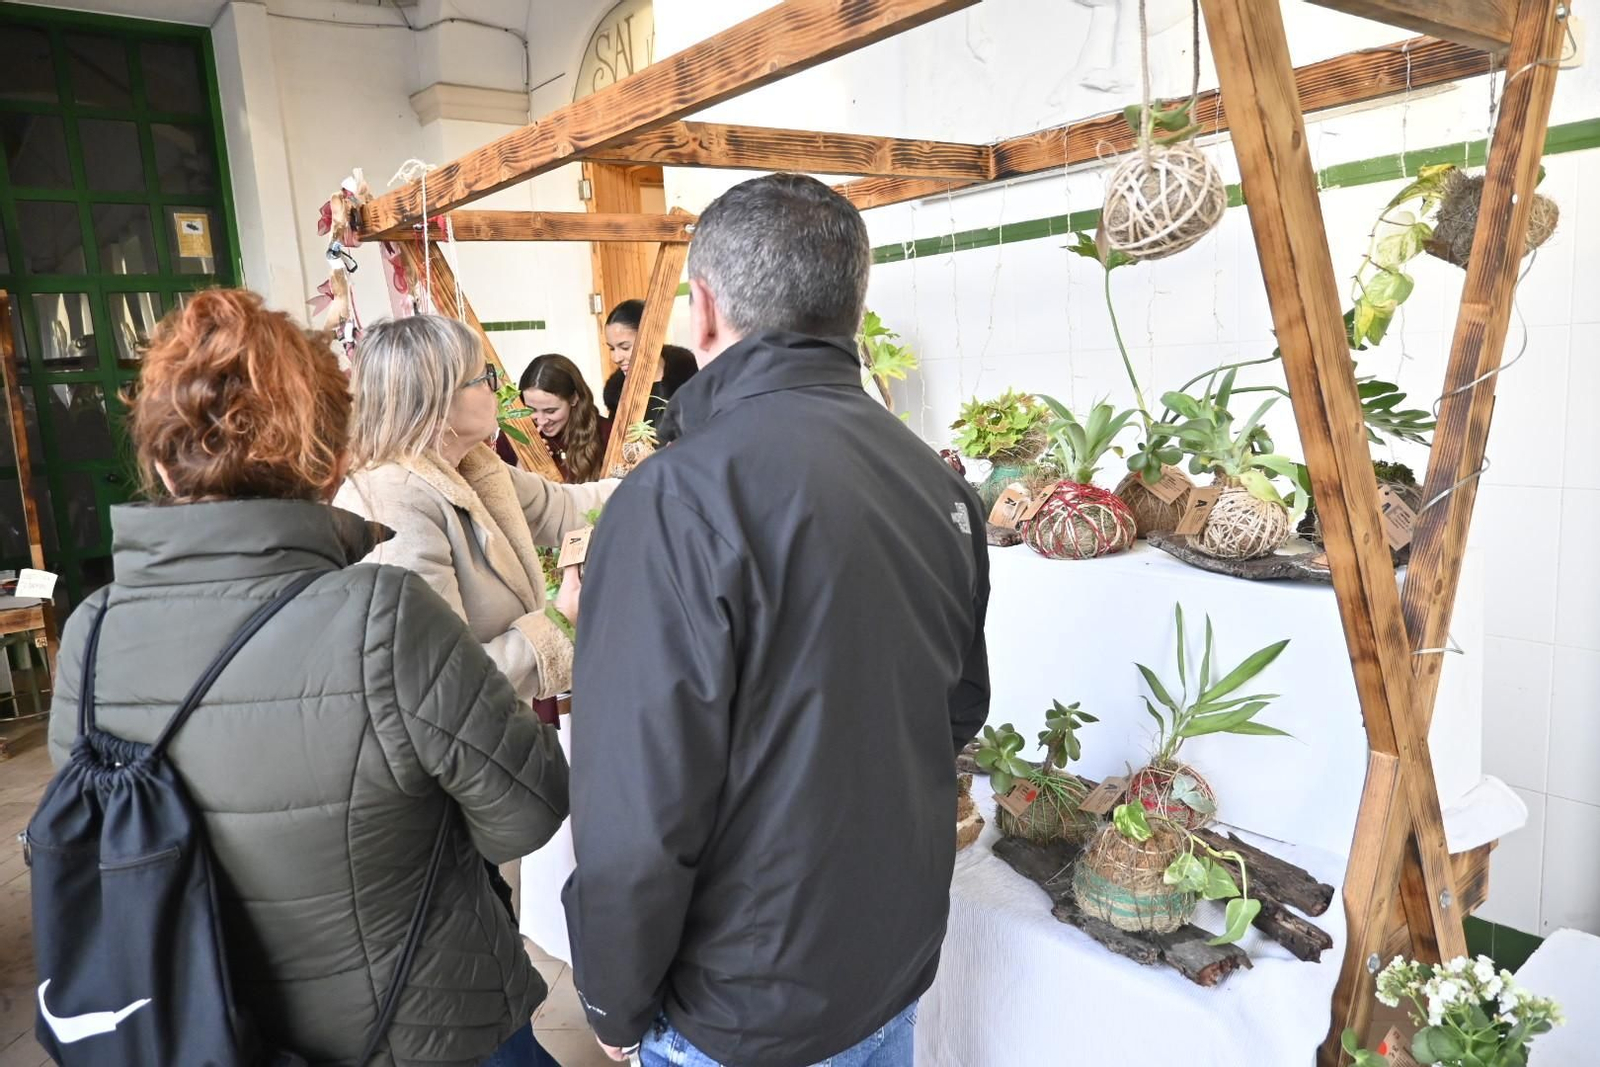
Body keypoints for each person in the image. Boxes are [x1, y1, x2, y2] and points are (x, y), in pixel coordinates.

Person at [47, 289, 570, 1067]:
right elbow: (526, 812)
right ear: (331, 462)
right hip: (426, 1022)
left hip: (199, 1029)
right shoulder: (383, 614)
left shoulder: (89, 635)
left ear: (157, 460)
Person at [562, 173, 992, 1067]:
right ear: (850, 308)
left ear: (705, 311)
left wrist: (609, 1000)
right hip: (884, 962)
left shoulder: (675, 499)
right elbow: (956, 712)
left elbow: (639, 817)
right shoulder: (935, 481)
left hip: (744, 1004)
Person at [334, 314, 614, 968]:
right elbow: (446, 687)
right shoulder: (393, 503)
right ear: (435, 398)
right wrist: (563, 622)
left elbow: (568, 507)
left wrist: (673, 481)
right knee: (467, 962)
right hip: (420, 797)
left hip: (467, 771)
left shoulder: (474, 465)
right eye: (484, 377)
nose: (502, 390)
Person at [600, 299, 698, 428]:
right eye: (611, 348)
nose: (616, 358)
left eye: (625, 347)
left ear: (651, 338)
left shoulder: (691, 383)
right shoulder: (618, 397)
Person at [517, 353, 613, 482]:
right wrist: (523, 464)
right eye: (530, 410)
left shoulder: (608, 434)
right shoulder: (513, 435)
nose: (541, 421)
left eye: (550, 411)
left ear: (574, 398)